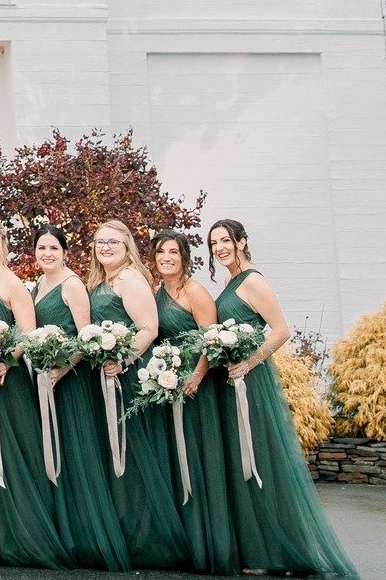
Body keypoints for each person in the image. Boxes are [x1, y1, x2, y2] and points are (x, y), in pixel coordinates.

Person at [208, 219, 357, 580]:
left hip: (250, 382)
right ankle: (257, 546)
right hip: (232, 383)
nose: (220, 248)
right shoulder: (230, 281)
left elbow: (281, 330)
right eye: (214, 243)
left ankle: (281, 550)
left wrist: (247, 362)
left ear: (242, 242)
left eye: (226, 240)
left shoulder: (253, 280)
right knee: (243, 461)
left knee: (260, 461)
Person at [86, 217, 191, 571]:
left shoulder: (130, 278)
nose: (106, 247)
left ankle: (151, 539)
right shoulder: (103, 279)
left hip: (128, 378)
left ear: (126, 245)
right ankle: (127, 532)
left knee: (135, 454)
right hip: (107, 378)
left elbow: (149, 328)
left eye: (113, 242)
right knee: (119, 455)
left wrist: (123, 358)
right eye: (100, 242)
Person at [0, 217, 69, 570]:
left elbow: (27, 332)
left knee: (15, 457)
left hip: (10, 384)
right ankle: (0, 536)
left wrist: (7, 362)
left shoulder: (13, 285)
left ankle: (29, 539)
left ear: (4, 246)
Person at [31, 224, 130, 573]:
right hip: (46, 382)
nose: (47, 254)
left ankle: (93, 541)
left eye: (53, 248)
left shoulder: (72, 285)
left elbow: (85, 336)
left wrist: (61, 368)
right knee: (56, 455)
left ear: (65, 252)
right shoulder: (39, 285)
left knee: (77, 456)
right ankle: (67, 537)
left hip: (71, 383)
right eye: (41, 248)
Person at [148, 229, 237, 575]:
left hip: (195, 388)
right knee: (176, 460)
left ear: (184, 257)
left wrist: (196, 377)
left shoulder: (195, 292)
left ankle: (209, 545)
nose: (166, 257)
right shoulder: (158, 291)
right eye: (160, 252)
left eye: (173, 252)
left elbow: (209, 341)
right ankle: (184, 542)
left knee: (199, 461)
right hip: (168, 385)